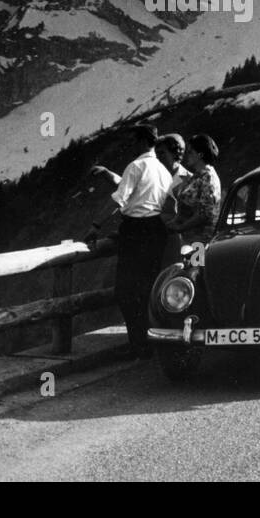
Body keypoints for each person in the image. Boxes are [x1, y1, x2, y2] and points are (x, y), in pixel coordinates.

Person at [85, 125, 174, 358]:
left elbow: (120, 200)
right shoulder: (163, 170)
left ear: (143, 141)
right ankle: (149, 342)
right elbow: (150, 196)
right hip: (156, 230)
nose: (131, 144)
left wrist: (95, 226)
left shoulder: (135, 166)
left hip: (135, 232)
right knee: (148, 288)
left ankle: (138, 344)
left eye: (134, 140)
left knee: (125, 290)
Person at [167, 133, 222, 249]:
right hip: (190, 239)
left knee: (196, 266)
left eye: (190, 152)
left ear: (200, 154)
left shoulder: (208, 177)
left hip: (201, 241)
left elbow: (205, 214)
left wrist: (180, 227)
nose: (187, 156)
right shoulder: (197, 176)